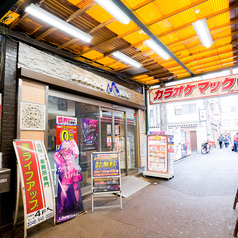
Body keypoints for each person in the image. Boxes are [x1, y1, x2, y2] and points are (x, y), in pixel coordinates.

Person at [54, 139, 83, 216]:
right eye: (64, 145)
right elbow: (57, 162)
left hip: (74, 171)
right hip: (66, 172)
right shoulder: (59, 153)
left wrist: (73, 143)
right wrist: (58, 153)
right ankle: (62, 207)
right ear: (61, 146)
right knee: (64, 189)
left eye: (67, 145)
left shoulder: (72, 152)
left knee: (76, 187)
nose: (65, 146)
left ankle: (77, 204)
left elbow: (76, 154)